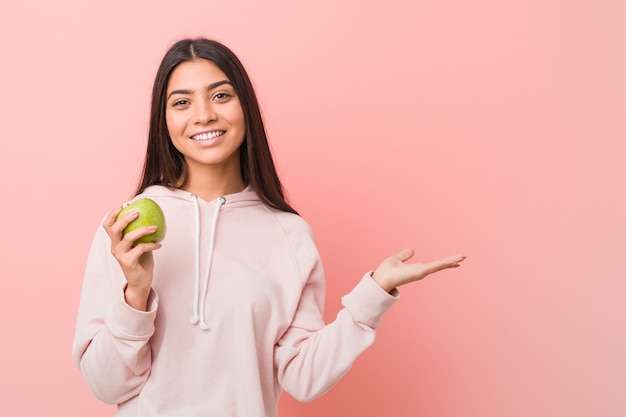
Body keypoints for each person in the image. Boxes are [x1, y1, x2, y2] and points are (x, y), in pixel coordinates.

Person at [72, 37, 466, 417]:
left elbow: (303, 377)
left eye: (221, 95)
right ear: (164, 119)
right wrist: (135, 293)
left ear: (246, 107)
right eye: (181, 102)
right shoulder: (126, 227)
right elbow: (107, 385)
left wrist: (373, 294)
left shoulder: (288, 234)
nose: (204, 114)